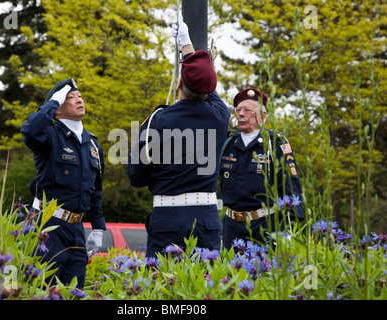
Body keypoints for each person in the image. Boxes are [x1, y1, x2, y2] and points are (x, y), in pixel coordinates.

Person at [127, 17, 230, 258]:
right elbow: (206, 85)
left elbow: (136, 176)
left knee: (162, 287)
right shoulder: (219, 116)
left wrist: (184, 45)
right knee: (205, 290)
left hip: (167, 220)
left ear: (179, 84)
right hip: (206, 219)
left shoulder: (158, 120)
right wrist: (187, 45)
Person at [21, 78, 106, 289]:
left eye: (79, 96)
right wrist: (51, 104)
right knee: (41, 289)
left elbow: (95, 190)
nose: (78, 100)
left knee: (74, 291)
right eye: (69, 98)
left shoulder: (92, 143)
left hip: (77, 229)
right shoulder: (49, 135)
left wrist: (98, 227)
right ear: (58, 109)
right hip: (48, 227)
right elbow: (30, 131)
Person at [220, 88, 304, 249]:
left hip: (264, 226)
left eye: (247, 110)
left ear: (263, 116)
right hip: (231, 228)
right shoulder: (228, 143)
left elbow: (290, 186)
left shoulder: (275, 143)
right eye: (238, 110)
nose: (241, 114)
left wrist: (292, 224)